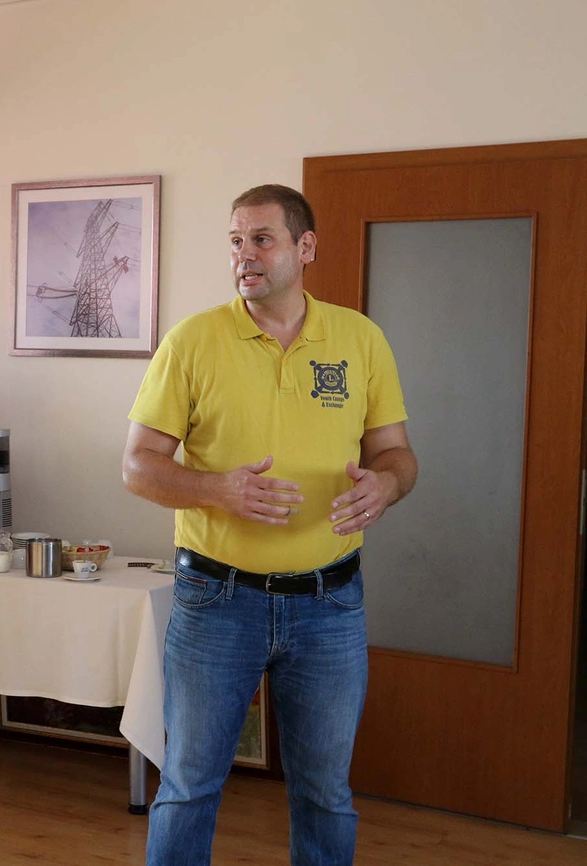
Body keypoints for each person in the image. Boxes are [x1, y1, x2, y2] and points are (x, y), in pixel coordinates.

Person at [122, 184, 418, 866]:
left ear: (304, 247)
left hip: (330, 604)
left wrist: (387, 484)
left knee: (325, 795)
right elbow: (137, 467)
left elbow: (397, 454)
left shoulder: (360, 338)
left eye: (261, 239)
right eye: (235, 241)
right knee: (189, 787)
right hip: (216, 601)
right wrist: (218, 489)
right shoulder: (192, 341)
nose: (244, 255)